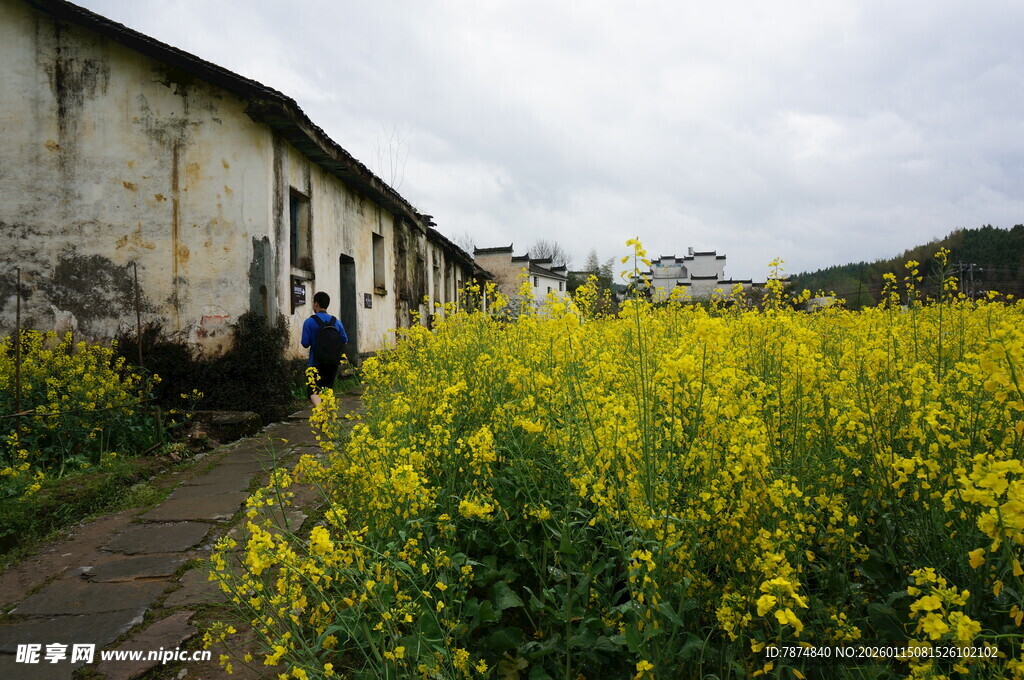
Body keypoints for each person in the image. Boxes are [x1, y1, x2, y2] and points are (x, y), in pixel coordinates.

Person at [300, 291, 348, 407]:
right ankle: (325, 417)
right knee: (327, 390)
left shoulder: (309, 322)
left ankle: (320, 410)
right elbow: (345, 340)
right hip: (332, 363)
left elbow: (305, 343)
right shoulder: (336, 321)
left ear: (316, 304)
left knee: (313, 391)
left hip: (315, 363)